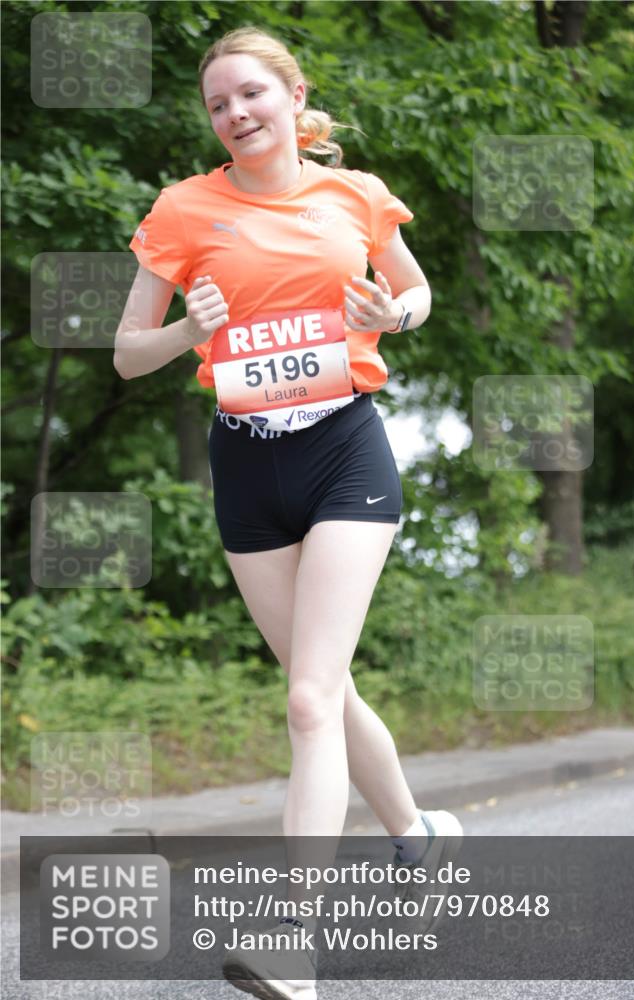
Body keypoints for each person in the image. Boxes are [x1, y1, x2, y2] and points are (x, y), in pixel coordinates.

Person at [115, 25, 463, 1000]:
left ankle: (290, 949)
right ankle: (415, 834)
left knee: (308, 698)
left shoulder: (352, 194)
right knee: (329, 688)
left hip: (344, 448)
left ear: (291, 94)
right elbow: (124, 353)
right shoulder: (185, 210)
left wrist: (388, 316)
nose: (235, 114)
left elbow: (415, 289)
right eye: (217, 103)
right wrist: (192, 325)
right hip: (247, 466)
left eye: (251, 94)